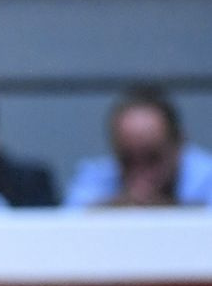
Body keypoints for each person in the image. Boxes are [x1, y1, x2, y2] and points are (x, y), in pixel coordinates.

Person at [64, 86, 212, 208]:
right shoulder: (99, 175)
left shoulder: (206, 176)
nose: (141, 175)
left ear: (179, 144)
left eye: (152, 158)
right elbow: (71, 217)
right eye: (127, 160)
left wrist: (160, 208)